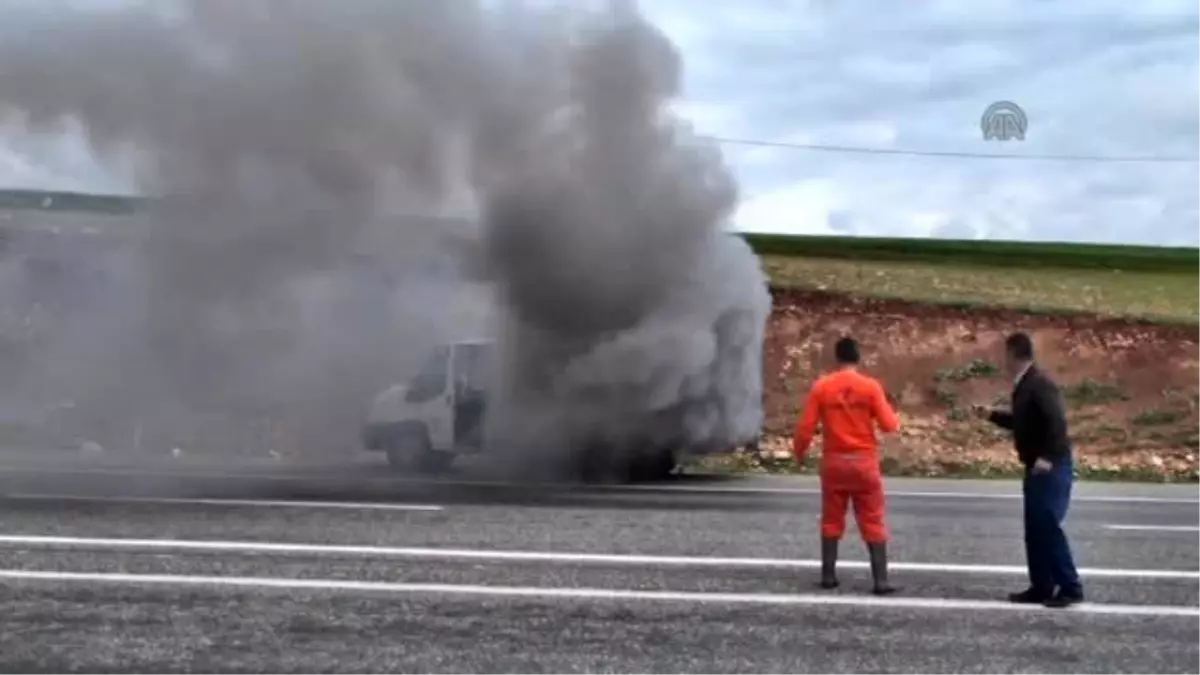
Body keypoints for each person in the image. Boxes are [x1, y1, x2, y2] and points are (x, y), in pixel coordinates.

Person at [972, 332, 1084, 608]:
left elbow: (1056, 422)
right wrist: (991, 415)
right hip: (1035, 467)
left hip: (1050, 466)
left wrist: (1047, 456)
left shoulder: (1039, 383)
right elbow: (1025, 423)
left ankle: (1070, 587)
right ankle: (1042, 586)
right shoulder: (1026, 384)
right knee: (1034, 529)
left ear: (1012, 354)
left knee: (1047, 526)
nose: (1002, 360)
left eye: (1004, 354)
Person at [794, 336, 901, 595]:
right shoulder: (870, 387)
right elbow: (889, 425)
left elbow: (806, 427)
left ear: (837, 358)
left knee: (832, 519)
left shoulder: (823, 387)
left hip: (834, 463)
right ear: (858, 357)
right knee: (872, 519)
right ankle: (880, 581)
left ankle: (828, 576)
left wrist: (799, 452)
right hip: (864, 462)